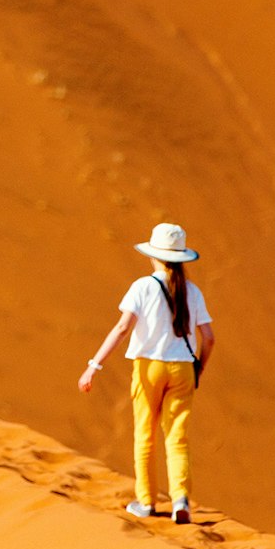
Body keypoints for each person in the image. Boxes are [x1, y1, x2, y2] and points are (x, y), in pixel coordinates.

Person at [76, 222, 214, 521]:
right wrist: (198, 369)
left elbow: (123, 327)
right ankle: (181, 501)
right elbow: (209, 337)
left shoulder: (143, 287)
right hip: (183, 370)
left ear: (154, 255)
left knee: (145, 434)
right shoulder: (192, 291)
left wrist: (93, 365)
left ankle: (147, 502)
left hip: (149, 367)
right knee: (177, 437)